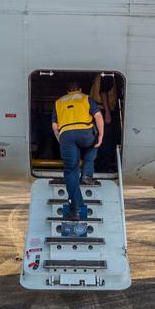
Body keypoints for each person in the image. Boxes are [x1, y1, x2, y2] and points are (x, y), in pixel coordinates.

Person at [51, 80, 103, 220]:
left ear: (67, 91)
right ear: (79, 89)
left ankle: (75, 210)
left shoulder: (58, 102)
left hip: (66, 135)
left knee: (70, 171)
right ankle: (87, 174)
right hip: (85, 133)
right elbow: (98, 116)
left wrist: (61, 140)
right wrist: (101, 136)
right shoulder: (86, 98)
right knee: (95, 142)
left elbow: (55, 126)